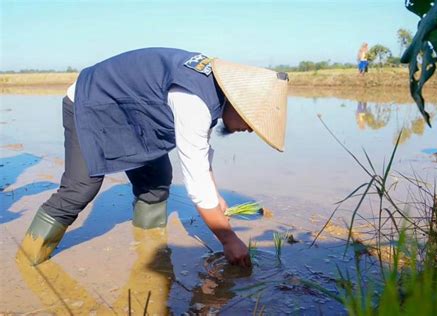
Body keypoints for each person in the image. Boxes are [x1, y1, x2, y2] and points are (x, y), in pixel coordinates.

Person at [18, 47, 289, 268]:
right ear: (237, 101)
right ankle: (28, 258)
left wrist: (214, 194)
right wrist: (228, 240)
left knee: (157, 179)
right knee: (81, 188)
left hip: (132, 112)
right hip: (91, 101)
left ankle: (149, 253)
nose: (250, 128)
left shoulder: (211, 91)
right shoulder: (194, 100)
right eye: (252, 120)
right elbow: (195, 179)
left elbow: (201, 153)